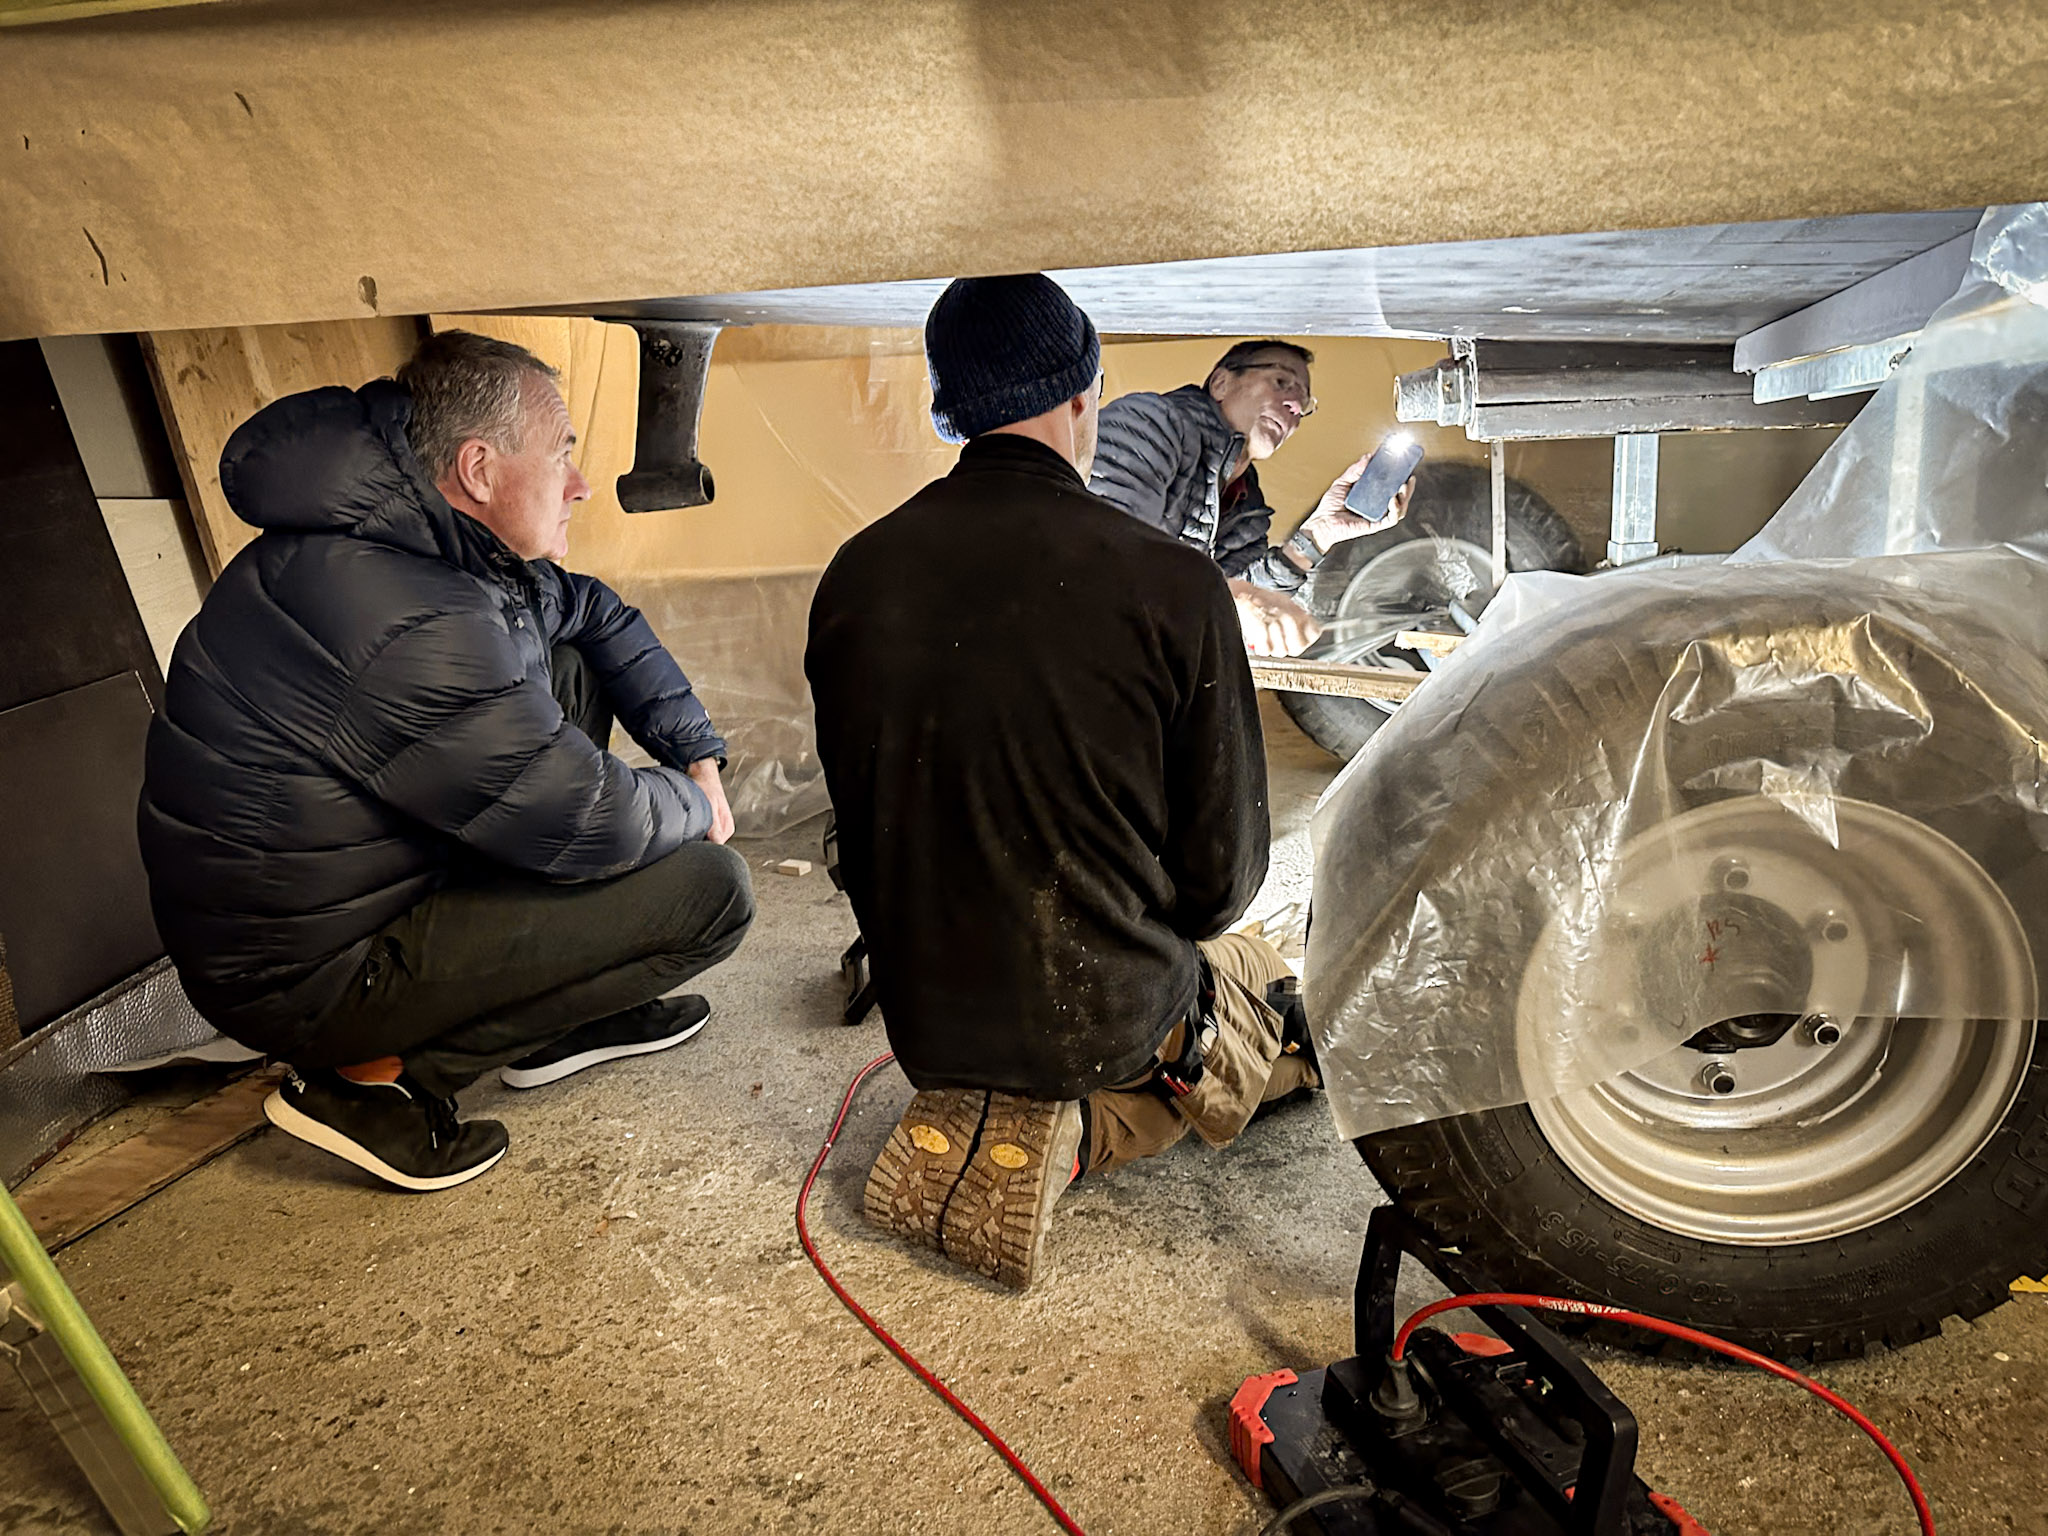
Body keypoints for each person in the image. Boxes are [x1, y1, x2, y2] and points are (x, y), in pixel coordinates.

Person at [138, 330, 755, 1192]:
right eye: (562, 455)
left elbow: (597, 614)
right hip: (310, 974)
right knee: (711, 892)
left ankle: (566, 1014)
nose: (579, 484)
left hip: (342, 899)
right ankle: (377, 1084)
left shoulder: (427, 541)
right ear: (478, 470)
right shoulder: (398, 610)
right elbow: (593, 818)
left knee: (566, 664)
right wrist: (701, 812)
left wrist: (697, 756)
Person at [806, 276, 1318, 1289]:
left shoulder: (854, 574)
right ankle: (1080, 1126)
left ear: (948, 410)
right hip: (1101, 1019)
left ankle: (1001, 1098)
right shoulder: (1170, 585)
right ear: (1085, 395)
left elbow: (856, 838)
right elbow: (1221, 883)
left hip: (924, 1017)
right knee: (1272, 997)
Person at [1087, 340, 1413, 654]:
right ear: (1221, 383)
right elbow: (1099, 551)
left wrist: (1319, 532)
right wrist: (1235, 599)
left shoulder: (1246, 504)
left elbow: (1252, 607)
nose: (1295, 406)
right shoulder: (1153, 422)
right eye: (1281, 381)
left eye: (1304, 403)